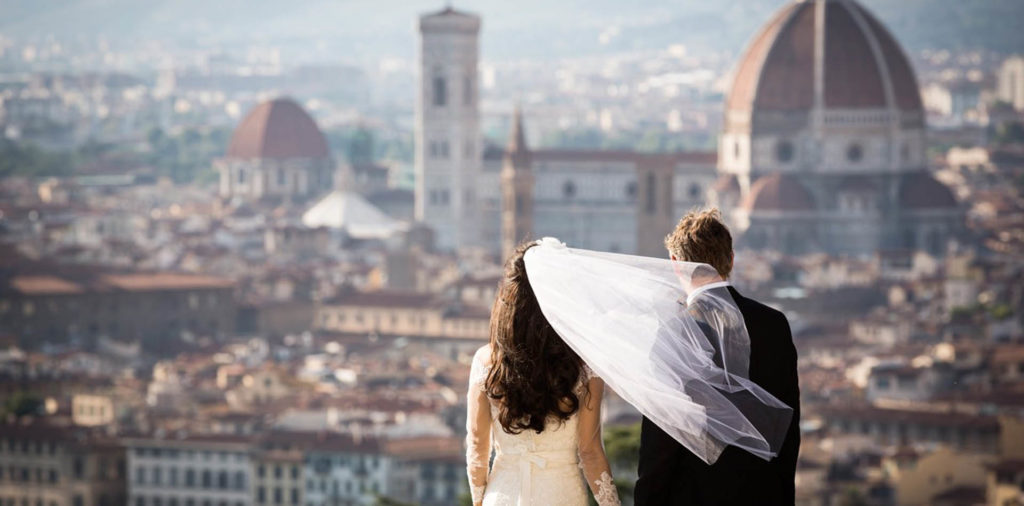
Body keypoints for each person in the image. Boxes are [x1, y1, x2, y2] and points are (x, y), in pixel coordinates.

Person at [634, 208, 802, 505]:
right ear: (731, 258)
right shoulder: (774, 324)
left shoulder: (673, 334)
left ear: (676, 264)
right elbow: (788, 428)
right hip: (763, 495)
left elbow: (659, 446)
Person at [465, 241, 622, 506]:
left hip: (503, 495)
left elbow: (478, 450)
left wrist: (479, 501)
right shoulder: (585, 367)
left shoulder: (486, 361)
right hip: (562, 495)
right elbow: (590, 452)